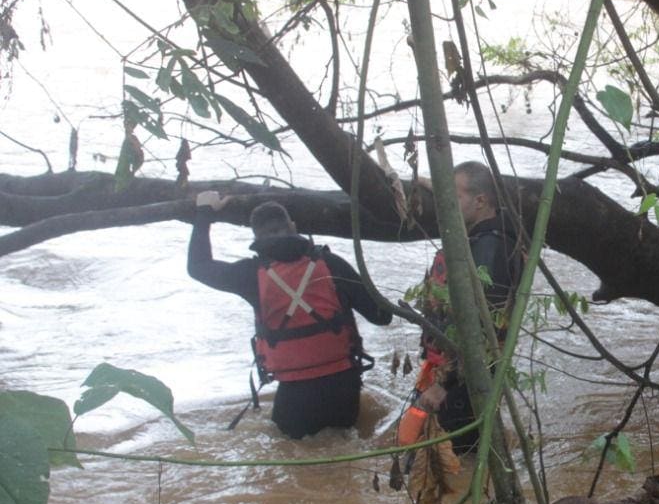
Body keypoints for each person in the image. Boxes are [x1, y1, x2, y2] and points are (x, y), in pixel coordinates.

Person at [188, 193, 392, 438]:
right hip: (344, 390)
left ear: (256, 238)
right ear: (293, 227)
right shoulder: (332, 264)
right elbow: (381, 317)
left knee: (294, 457)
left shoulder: (250, 275)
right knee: (344, 443)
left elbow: (198, 266)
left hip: (293, 395)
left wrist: (204, 212)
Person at [398, 162, 523, 453]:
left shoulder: (489, 253)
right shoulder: (481, 239)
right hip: (455, 376)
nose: (445, 205)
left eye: (453, 197)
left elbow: (481, 329)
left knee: (447, 464)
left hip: (463, 383)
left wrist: (444, 383)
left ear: (480, 201)